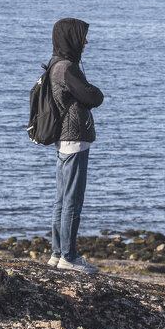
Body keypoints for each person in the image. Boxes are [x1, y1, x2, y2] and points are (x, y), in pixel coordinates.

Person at [47, 18, 104, 273]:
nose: (86, 42)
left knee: (62, 200)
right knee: (72, 200)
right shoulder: (67, 68)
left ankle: (57, 253)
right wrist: (93, 92)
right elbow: (94, 96)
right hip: (74, 140)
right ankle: (68, 256)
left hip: (65, 139)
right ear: (71, 38)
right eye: (82, 37)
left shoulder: (55, 64)